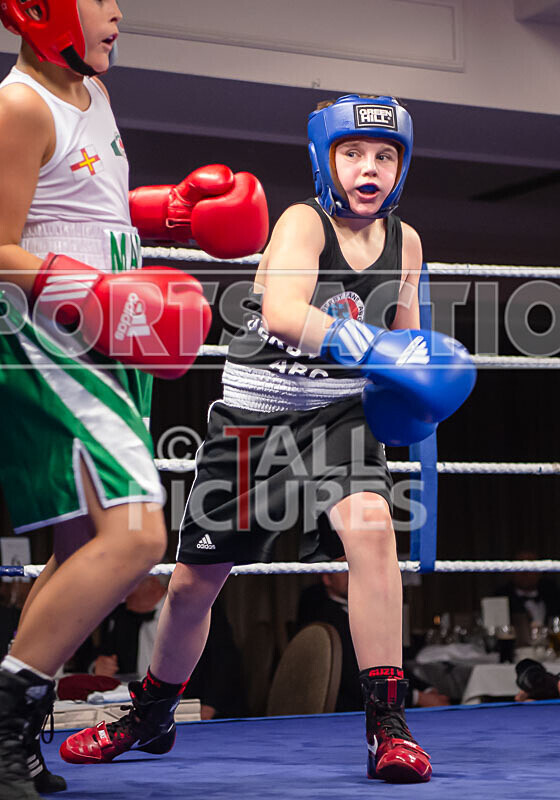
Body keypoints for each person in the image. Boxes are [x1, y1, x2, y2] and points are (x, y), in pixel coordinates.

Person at [61, 94, 475, 783]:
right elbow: (283, 312)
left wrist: (414, 387)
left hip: (339, 417)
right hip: (256, 419)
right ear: (325, 159)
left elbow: (401, 341)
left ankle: (388, 727)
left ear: (401, 165)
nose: (368, 168)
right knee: (194, 585)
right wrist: (369, 344)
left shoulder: (409, 241)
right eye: (353, 154)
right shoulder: (302, 223)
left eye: (384, 155)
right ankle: (151, 713)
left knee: (372, 527)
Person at [0, 2, 268, 798]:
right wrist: (95, 293)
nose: (116, 11)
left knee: (81, 548)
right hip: (49, 340)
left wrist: (170, 211)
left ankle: (14, 739)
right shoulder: (18, 104)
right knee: (138, 532)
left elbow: (86, 209)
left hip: (108, 340)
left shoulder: (93, 96)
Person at [297, 565, 450, 711]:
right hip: (353, 708)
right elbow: (350, 679)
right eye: (343, 568)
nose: (351, 572)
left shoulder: (365, 610)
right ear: (327, 579)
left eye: (354, 566)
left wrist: (425, 689)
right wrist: (417, 697)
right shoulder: (324, 617)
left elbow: (389, 663)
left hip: (380, 697)